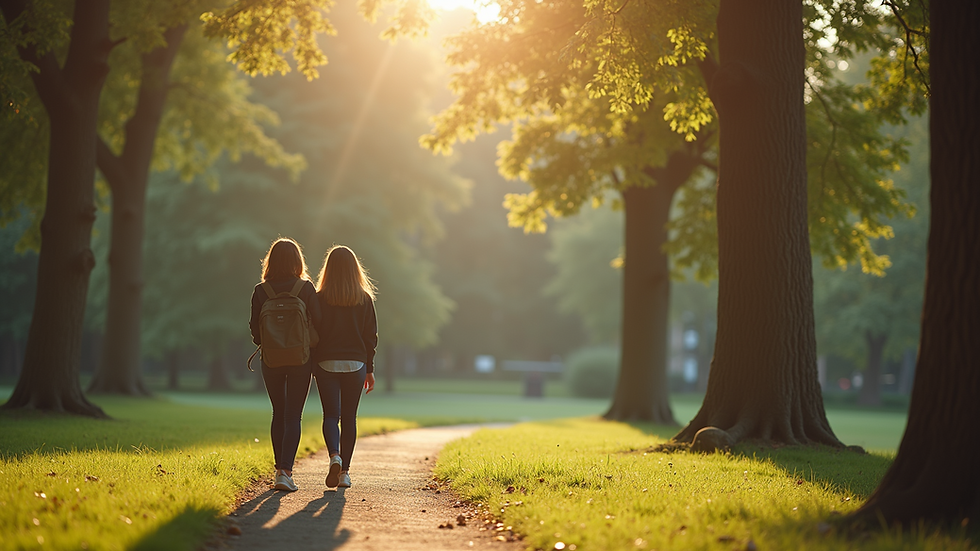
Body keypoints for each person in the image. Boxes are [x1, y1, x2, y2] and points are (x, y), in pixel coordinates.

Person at [249, 238, 321, 492]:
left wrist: (270, 343)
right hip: (301, 360)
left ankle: (279, 469)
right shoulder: (305, 288)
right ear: (297, 261)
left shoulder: (261, 291)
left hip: (271, 360)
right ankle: (286, 473)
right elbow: (318, 323)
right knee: (293, 415)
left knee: (278, 412)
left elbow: (255, 329)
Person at [312, 245, 378, 489]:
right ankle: (345, 473)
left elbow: (313, 332)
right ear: (355, 269)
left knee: (331, 415)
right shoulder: (364, 299)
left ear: (328, 270)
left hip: (325, 363)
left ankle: (334, 456)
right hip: (356, 363)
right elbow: (371, 337)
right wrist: (369, 369)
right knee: (349, 418)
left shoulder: (318, 299)